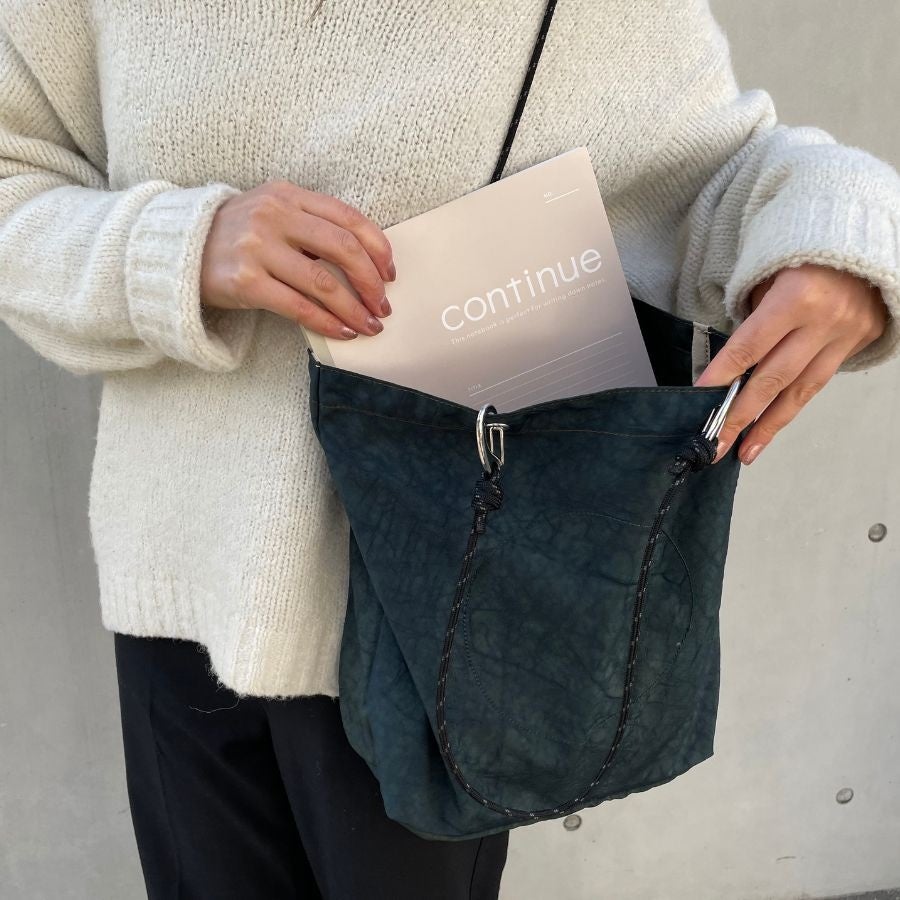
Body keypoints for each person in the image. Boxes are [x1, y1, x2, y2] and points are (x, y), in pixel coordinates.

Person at [1, 1, 897, 898]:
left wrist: (843, 241)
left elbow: (721, 175)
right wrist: (178, 250)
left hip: (437, 619)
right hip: (175, 593)